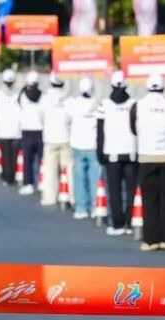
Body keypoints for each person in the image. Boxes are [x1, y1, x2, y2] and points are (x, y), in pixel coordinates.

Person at [130, 74, 165, 251]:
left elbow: (133, 129)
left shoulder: (137, 106)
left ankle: (151, 240)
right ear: (163, 88)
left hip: (146, 157)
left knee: (149, 200)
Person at [97, 70, 139, 236]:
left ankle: (118, 224)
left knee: (114, 191)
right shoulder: (134, 104)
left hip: (112, 153)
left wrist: (100, 152)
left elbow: (100, 132)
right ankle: (130, 222)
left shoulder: (104, 105)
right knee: (131, 190)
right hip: (131, 152)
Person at [65, 77, 100, 220]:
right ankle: (96, 206)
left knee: (79, 178)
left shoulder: (72, 104)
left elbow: (67, 121)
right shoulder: (97, 104)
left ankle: (81, 208)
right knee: (95, 178)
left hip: (77, 144)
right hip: (93, 145)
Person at [40, 74, 72, 208]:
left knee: (50, 170)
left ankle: (50, 197)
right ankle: (71, 196)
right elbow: (71, 118)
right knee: (69, 169)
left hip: (50, 138)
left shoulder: (45, 99)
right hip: (66, 138)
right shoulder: (69, 99)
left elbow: (41, 117)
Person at [0, 68, 22, 187]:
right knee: (13, 155)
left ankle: (7, 177)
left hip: (2, 130)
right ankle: (12, 175)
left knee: (5, 154)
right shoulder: (19, 95)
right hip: (15, 130)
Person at [18, 71, 43, 196]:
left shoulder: (22, 96)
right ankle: (42, 182)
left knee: (27, 160)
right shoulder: (43, 95)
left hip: (27, 130)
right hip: (40, 130)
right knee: (41, 160)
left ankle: (28, 183)